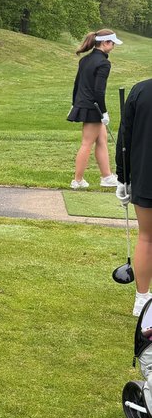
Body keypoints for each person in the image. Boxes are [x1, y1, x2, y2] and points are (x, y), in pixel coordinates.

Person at [116, 77, 152, 317]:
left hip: (145, 177)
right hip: (144, 176)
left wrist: (123, 176)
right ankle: (141, 298)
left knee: (147, 237)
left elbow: (124, 140)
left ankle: (142, 299)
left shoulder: (141, 90)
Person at [68, 29, 121, 190]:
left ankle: (106, 176)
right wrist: (103, 112)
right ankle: (77, 181)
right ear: (105, 43)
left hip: (85, 104)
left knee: (102, 140)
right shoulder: (104, 63)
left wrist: (74, 103)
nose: (113, 46)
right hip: (93, 107)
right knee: (87, 143)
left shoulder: (85, 60)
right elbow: (99, 90)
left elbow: (77, 85)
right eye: (112, 43)